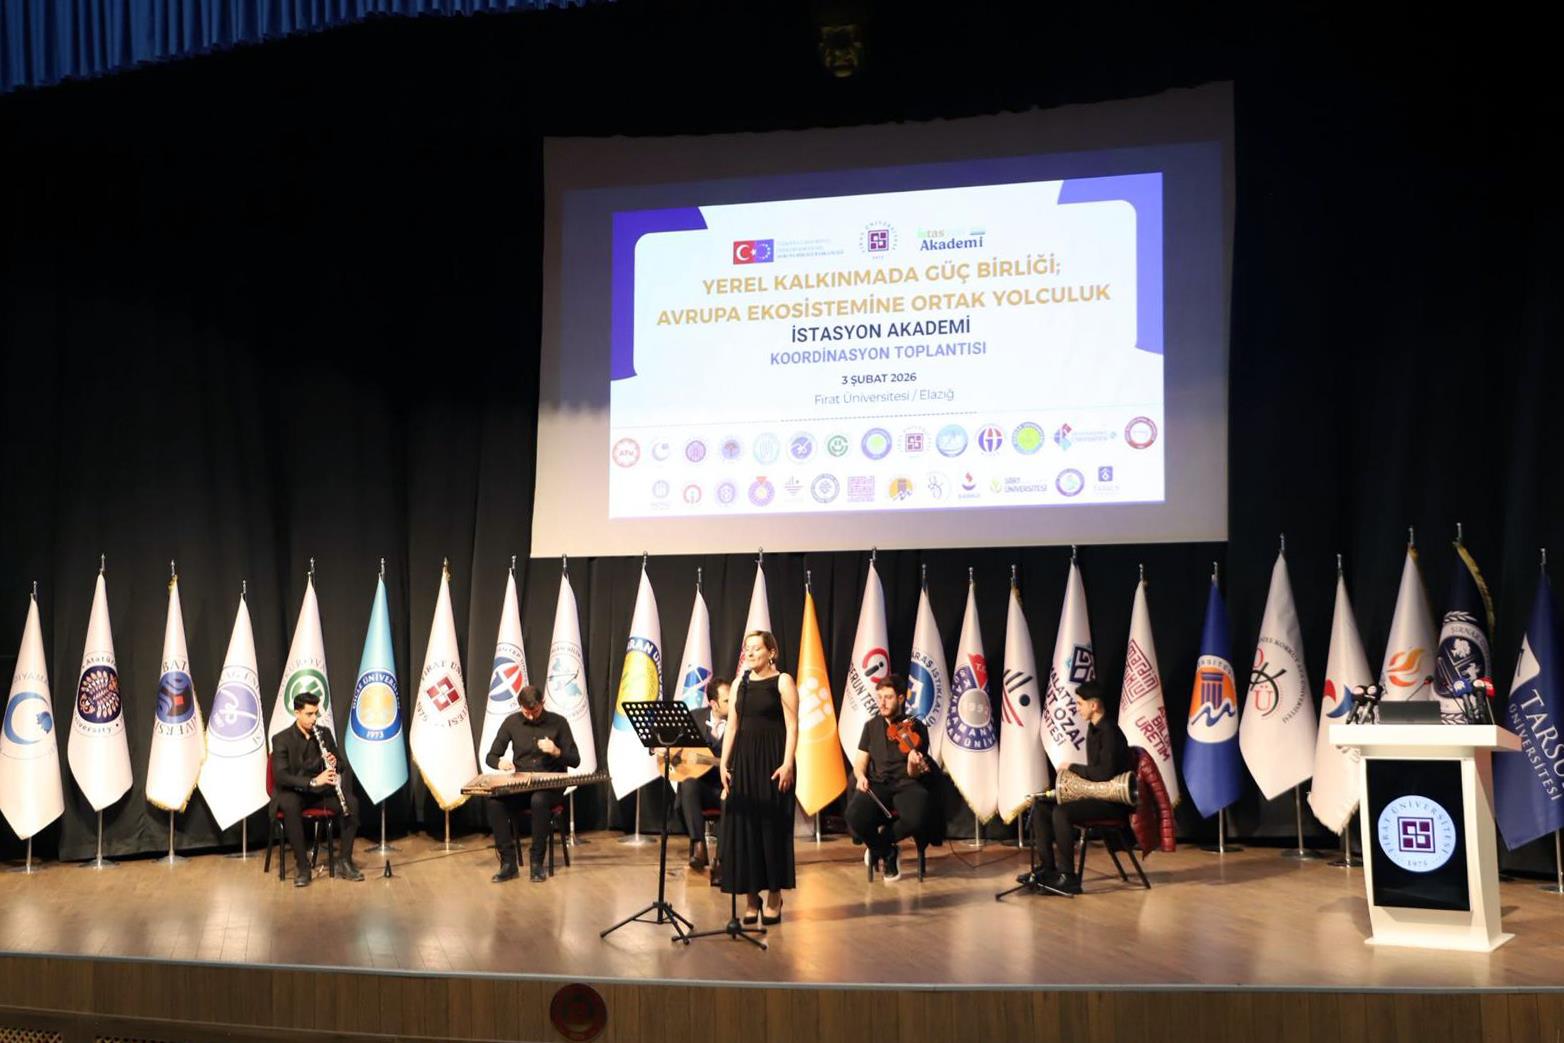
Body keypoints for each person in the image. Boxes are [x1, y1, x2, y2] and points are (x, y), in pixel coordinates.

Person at [717, 630, 798, 925]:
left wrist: (788, 763)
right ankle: (752, 898)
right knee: (746, 830)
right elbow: (732, 726)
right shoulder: (741, 683)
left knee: (772, 828)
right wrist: (724, 763)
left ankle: (775, 894)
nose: (750, 653)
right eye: (747, 649)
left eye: (756, 648)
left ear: (771, 652)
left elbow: (792, 725)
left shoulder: (783, 681)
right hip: (745, 763)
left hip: (774, 761)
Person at [1025, 679, 1131, 895]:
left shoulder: (1110, 733)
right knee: (1041, 806)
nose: (1077, 708)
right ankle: (1048, 869)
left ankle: (1068, 876)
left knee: (1062, 813)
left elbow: (1105, 774)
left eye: (1080, 703)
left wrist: (1072, 767)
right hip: (1095, 795)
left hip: (1111, 802)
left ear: (1094, 705)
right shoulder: (1093, 730)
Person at [845, 674, 939, 882]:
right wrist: (860, 776)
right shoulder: (871, 727)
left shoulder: (916, 727)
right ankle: (888, 852)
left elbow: (914, 774)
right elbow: (860, 763)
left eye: (888, 697)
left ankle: (880, 844)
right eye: (879, 697)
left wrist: (913, 763)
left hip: (907, 784)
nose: (882, 703)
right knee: (854, 816)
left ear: (901, 698)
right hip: (878, 784)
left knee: (917, 817)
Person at [484, 685, 580, 883]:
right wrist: (500, 763)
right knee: (495, 802)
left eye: (534, 711)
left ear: (542, 703)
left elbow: (575, 760)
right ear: (520, 707)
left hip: (550, 786)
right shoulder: (512, 722)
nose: (530, 716)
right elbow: (491, 756)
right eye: (526, 712)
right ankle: (508, 863)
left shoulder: (558, 723)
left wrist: (556, 751)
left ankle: (536, 862)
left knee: (539, 800)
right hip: (522, 785)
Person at [271, 690, 363, 887]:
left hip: (319, 794)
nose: (314, 719)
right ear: (297, 713)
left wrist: (335, 762)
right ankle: (303, 866)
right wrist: (313, 782)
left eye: (316, 713)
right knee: (290, 805)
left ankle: (345, 860)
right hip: (294, 791)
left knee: (351, 803)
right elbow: (281, 776)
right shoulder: (281, 739)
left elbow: (341, 764)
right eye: (309, 714)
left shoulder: (324, 734)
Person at [675, 676, 729, 872]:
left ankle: (721, 861)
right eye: (727, 701)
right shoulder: (695, 718)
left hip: (727, 788)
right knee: (688, 784)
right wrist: (660, 748)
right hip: (703, 789)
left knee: (729, 797)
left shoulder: (738, 723)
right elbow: (673, 743)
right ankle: (699, 846)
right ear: (713, 704)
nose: (732, 704)